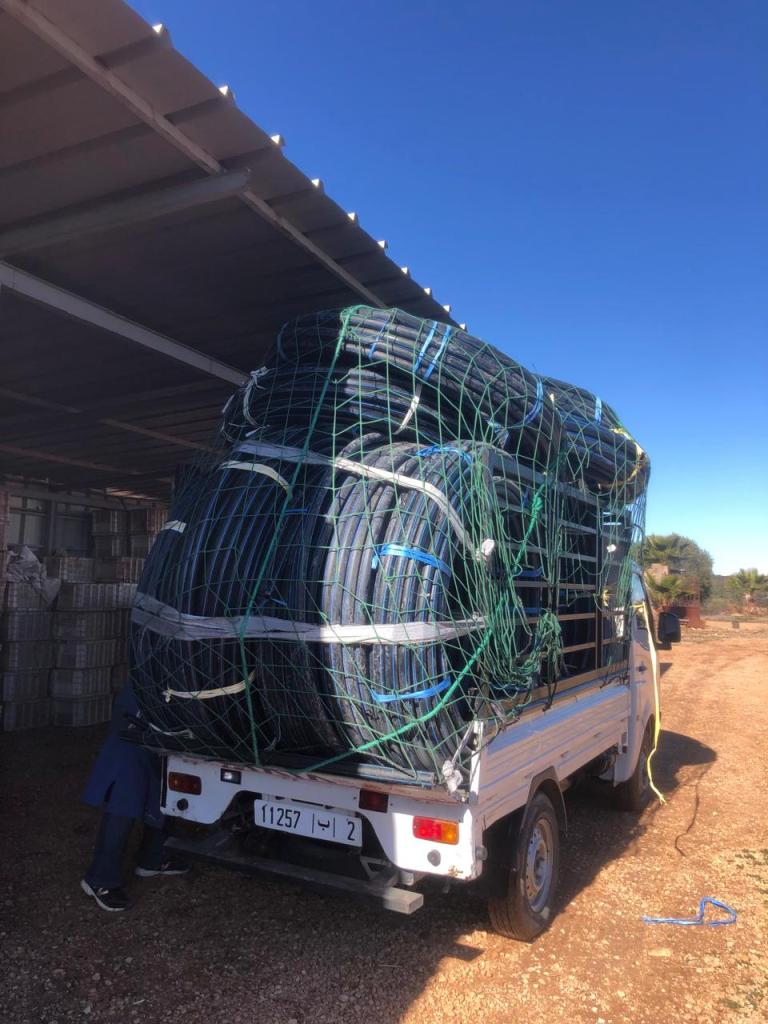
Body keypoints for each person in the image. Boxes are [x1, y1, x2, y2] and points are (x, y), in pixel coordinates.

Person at [81, 682, 189, 912]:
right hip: (137, 731)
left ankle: (153, 857)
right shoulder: (150, 667)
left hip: (159, 730)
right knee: (125, 801)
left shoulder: (176, 666)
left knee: (163, 795)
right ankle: (100, 880)